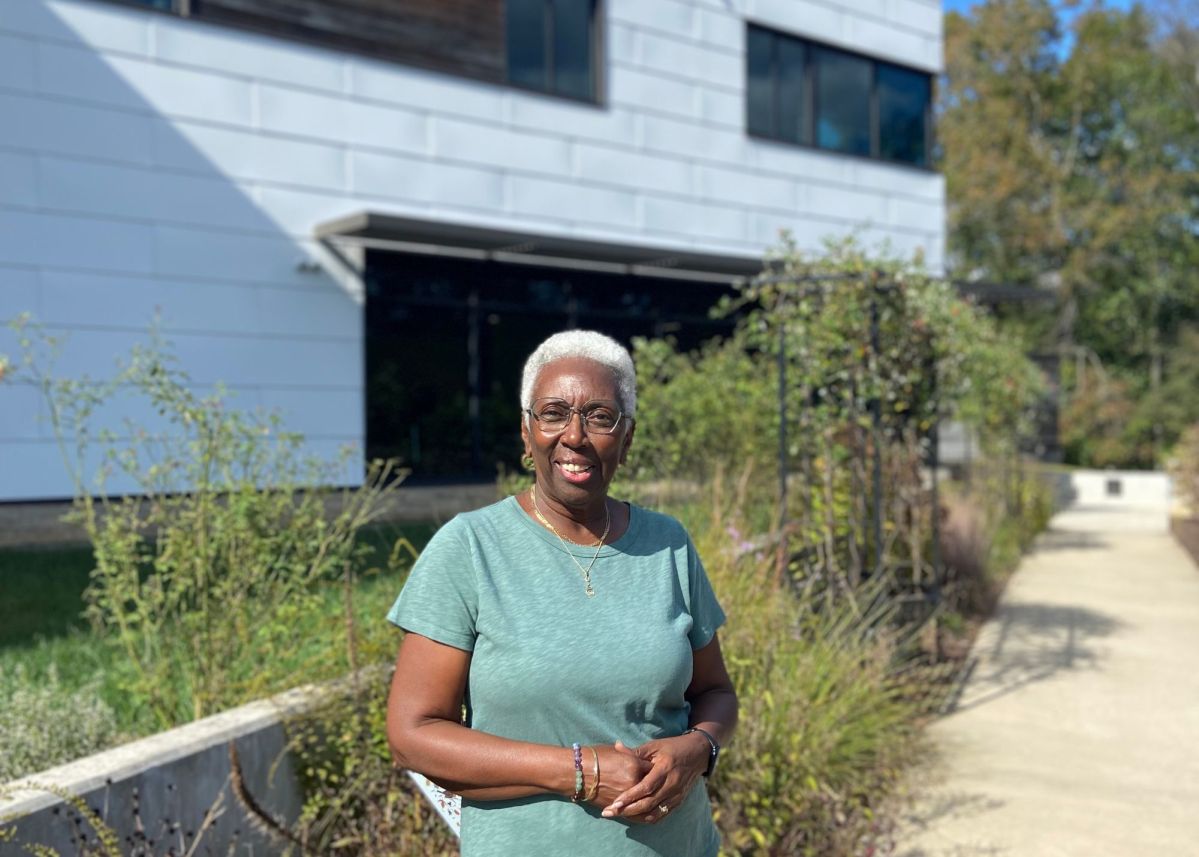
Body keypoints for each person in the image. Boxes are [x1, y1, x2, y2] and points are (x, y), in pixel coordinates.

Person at [385, 329, 738, 857]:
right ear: (527, 434)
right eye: (553, 413)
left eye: (599, 416)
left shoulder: (667, 544)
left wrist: (698, 748)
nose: (574, 435)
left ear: (628, 437)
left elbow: (716, 694)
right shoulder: (470, 548)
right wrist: (580, 770)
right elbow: (412, 734)